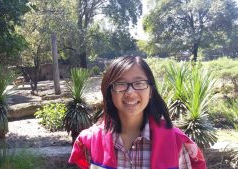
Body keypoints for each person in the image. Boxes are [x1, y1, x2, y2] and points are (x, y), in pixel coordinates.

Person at [68, 56, 207, 169]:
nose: (130, 92)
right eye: (120, 84)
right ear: (110, 92)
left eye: (139, 83)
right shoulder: (91, 140)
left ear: (151, 91)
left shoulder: (174, 141)